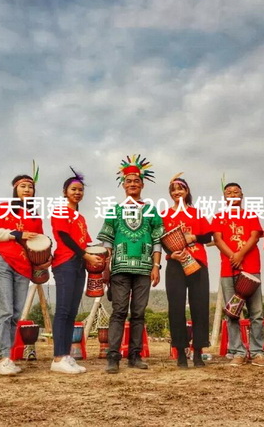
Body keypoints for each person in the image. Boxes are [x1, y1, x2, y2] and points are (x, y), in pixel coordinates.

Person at [97, 155, 164, 374]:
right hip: (119, 268)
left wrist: (156, 266)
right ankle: (113, 357)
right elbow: (106, 240)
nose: (132, 184)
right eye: (128, 181)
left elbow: (156, 240)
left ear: (142, 185)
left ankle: (135, 355)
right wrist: (105, 265)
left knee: (139, 312)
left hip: (144, 268)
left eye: (136, 181)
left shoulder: (151, 211)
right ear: (123, 185)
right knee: (118, 311)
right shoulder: (114, 210)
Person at [0, 174, 50, 376]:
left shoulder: (34, 216)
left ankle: (7, 357)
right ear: (15, 189)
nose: (27, 189)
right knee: (3, 312)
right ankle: (0, 358)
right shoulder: (3, 208)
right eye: (23, 186)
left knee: (14, 315)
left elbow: (39, 242)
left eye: (30, 187)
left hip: (24, 267)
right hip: (3, 261)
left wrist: (45, 258)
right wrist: (16, 234)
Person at [50, 167, 103, 374]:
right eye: (73, 189)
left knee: (72, 311)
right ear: (65, 192)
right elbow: (65, 238)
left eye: (80, 189)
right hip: (65, 262)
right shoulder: (60, 210)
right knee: (63, 310)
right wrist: (86, 255)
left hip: (80, 263)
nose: (77, 192)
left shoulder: (80, 218)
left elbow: (85, 242)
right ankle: (57, 357)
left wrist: (98, 254)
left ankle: (66, 355)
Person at [213, 182, 264, 367]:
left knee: (256, 312)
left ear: (242, 195)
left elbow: (254, 236)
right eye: (228, 192)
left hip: (251, 269)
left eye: (236, 192)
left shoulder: (250, 214)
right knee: (233, 313)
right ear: (224, 197)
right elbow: (218, 239)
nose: (232, 194)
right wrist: (233, 256)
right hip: (228, 270)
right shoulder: (219, 216)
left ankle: (257, 351)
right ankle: (237, 351)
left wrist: (240, 254)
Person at [162, 174, 212, 368]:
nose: (177, 192)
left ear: (187, 191)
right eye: (173, 190)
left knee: (199, 307)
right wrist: (171, 254)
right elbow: (160, 240)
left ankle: (198, 352)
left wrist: (193, 238)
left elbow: (208, 236)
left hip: (197, 262)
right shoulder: (165, 215)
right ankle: (181, 352)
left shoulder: (197, 213)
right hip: (175, 264)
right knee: (176, 307)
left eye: (180, 189)